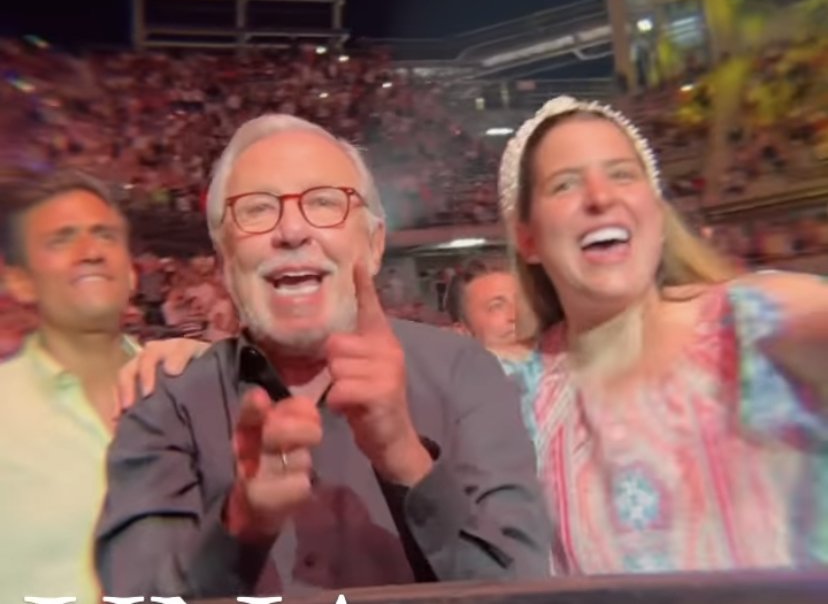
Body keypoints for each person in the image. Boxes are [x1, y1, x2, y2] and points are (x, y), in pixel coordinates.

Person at [95, 115, 550, 597]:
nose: (292, 230)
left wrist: (406, 460)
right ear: (224, 262)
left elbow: (522, 591)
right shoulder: (166, 404)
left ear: (374, 245)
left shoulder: (463, 374)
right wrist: (238, 527)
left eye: (324, 203)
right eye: (257, 209)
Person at [497, 95, 828, 574]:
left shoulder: (753, 321)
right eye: (565, 184)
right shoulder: (515, 392)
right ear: (528, 239)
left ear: (656, 212)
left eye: (622, 174)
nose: (600, 197)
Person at [0, 171, 209, 603]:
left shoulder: (193, 389)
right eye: (61, 239)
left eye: (105, 236)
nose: (91, 252)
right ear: (20, 281)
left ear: (131, 273)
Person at [445, 261, 541, 436]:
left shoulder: (569, 359)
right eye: (496, 306)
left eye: (522, 300)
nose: (516, 313)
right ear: (463, 331)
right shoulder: (465, 394)